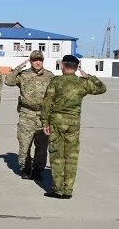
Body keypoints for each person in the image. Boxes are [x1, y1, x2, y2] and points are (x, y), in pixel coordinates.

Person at [41, 55, 107, 199]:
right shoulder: (82, 83)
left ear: (63, 65)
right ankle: (68, 190)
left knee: (57, 155)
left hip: (57, 122)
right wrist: (87, 76)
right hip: (73, 123)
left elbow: (47, 103)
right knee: (71, 156)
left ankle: (58, 190)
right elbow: (102, 88)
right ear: (77, 67)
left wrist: (45, 122)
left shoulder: (56, 81)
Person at [4, 50, 53, 180]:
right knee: (24, 143)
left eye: (40, 60)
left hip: (43, 115)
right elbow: (8, 81)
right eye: (35, 60)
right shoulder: (23, 75)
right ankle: (25, 167)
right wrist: (19, 66)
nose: (38, 62)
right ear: (30, 61)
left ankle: (37, 170)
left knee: (42, 146)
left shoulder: (49, 76)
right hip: (27, 113)